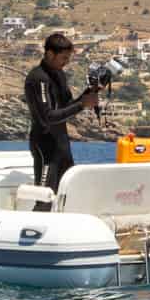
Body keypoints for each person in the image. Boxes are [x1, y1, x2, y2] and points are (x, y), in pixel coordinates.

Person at [24, 32, 98, 205]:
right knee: (44, 199)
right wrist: (82, 105)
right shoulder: (38, 78)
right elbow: (48, 116)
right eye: (63, 58)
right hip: (45, 146)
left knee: (68, 196)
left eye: (68, 58)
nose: (67, 62)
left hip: (62, 144)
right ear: (50, 54)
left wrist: (90, 93)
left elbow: (67, 106)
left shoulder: (59, 75)